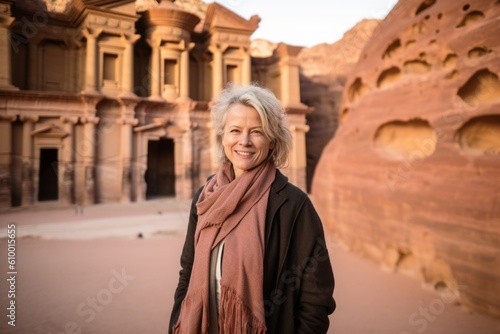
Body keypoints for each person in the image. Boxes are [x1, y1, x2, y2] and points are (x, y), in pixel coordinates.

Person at [169, 83, 335, 334]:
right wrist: (175, 324)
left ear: (272, 140)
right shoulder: (204, 198)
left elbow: (316, 299)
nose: (244, 142)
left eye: (256, 132)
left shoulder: (293, 205)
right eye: (235, 130)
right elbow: (188, 272)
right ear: (223, 137)